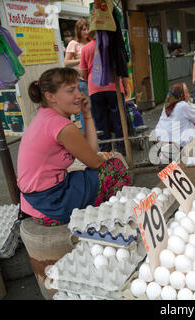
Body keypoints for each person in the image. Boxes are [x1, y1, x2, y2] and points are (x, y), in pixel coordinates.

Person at [17, 68, 132, 226]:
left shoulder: (46, 115)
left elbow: (91, 152)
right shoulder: (61, 126)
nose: (79, 94)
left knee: (91, 172)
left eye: (78, 88)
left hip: (34, 201)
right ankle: (117, 217)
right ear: (50, 97)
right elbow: (95, 162)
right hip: (50, 204)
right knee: (114, 167)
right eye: (71, 90)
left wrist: (87, 114)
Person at [80, 37, 129, 155]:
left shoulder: (86, 48)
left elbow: (83, 74)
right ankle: (122, 149)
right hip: (114, 87)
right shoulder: (113, 45)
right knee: (119, 120)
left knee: (100, 121)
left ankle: (105, 151)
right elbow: (122, 68)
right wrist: (126, 86)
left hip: (95, 88)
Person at [155, 83, 195, 148]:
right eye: (186, 92)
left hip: (160, 137)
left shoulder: (167, 105)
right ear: (181, 94)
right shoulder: (182, 105)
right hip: (175, 141)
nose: (189, 95)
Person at [64, 19, 89, 96]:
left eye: (88, 29)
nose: (87, 32)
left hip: (95, 80)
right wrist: (81, 60)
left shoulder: (91, 42)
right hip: (83, 81)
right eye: (84, 30)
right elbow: (66, 62)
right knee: (88, 106)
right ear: (78, 30)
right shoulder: (73, 43)